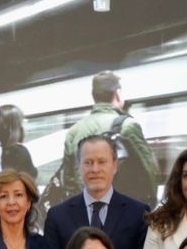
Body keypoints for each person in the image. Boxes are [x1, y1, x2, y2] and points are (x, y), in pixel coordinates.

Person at [46, 133, 151, 249]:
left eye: (102, 162)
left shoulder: (139, 214)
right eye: (88, 162)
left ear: (115, 166)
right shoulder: (58, 216)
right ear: (78, 167)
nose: (95, 169)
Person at [60, 71, 157, 204]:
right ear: (117, 94)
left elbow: (68, 180)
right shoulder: (128, 126)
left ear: (94, 97)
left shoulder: (73, 132)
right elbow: (149, 170)